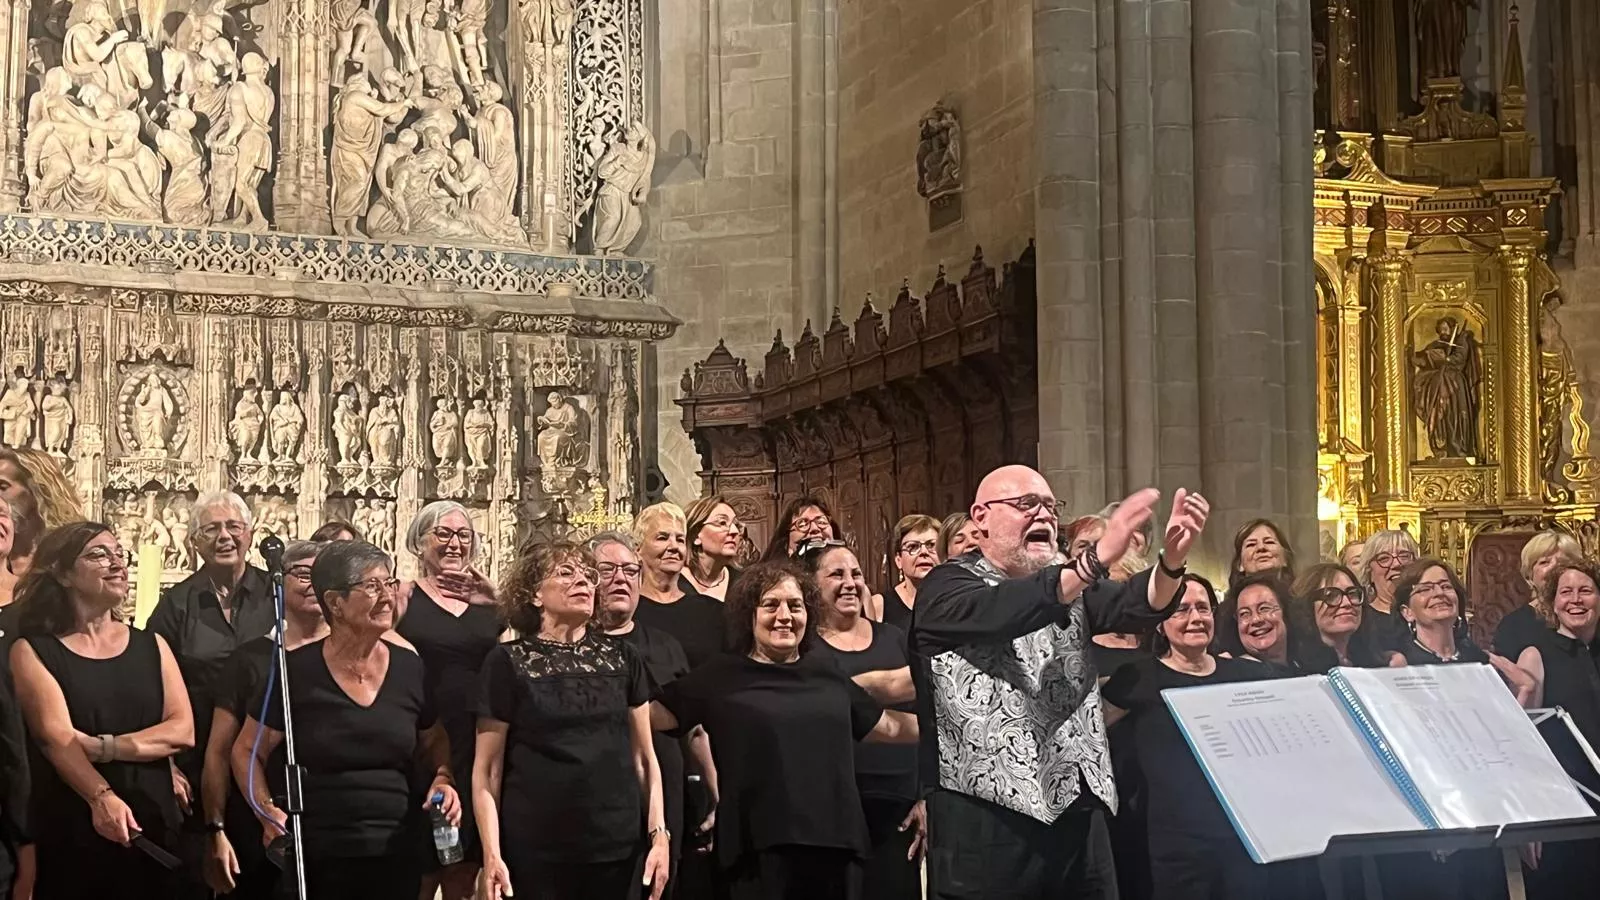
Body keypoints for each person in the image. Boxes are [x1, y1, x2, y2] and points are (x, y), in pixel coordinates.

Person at [910, 465, 1209, 899]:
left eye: (1051, 507)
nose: (1045, 516)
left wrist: (1172, 561)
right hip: (985, 822)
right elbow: (1004, 609)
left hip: (1077, 809)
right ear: (981, 518)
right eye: (1026, 505)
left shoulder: (1074, 585)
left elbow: (1136, 604)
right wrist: (1092, 561)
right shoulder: (948, 585)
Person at [649, 562, 918, 900]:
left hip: (836, 846)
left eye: (795, 606)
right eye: (771, 605)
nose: (785, 616)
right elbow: (653, 716)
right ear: (749, 613)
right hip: (755, 852)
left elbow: (888, 727)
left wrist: (957, 727)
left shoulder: (826, 673)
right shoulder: (722, 675)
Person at [233, 540, 460, 900]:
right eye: (371, 586)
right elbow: (248, 751)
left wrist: (444, 779)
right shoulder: (295, 671)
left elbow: (434, 741)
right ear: (335, 602)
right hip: (319, 857)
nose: (387, 596)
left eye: (390, 583)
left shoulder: (409, 667)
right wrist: (267, 812)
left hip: (396, 852)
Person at [473, 541, 671, 900]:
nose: (583, 581)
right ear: (534, 594)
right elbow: (488, 770)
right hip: (536, 848)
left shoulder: (623, 658)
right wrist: (491, 854)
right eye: (566, 573)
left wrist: (659, 835)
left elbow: (644, 758)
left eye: (588, 574)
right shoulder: (507, 662)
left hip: (616, 846)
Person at [11, 522, 193, 898]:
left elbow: (182, 730)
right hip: (79, 819)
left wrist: (101, 747)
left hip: (154, 818)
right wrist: (101, 796)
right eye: (99, 554)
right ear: (62, 573)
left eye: (119, 554)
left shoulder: (152, 645)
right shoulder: (33, 650)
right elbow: (56, 739)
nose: (117, 564)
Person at [1102, 575, 1273, 899]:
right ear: (1160, 623)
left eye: (1203, 609)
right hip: (1173, 847)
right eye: (1181, 610)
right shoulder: (1137, 678)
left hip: (1243, 841)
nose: (1195, 618)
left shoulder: (1244, 675)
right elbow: (1092, 732)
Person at [200, 541, 328, 899]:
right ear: (278, 583)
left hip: (333, 825)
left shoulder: (354, 659)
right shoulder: (250, 660)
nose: (313, 583)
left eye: (323, 575)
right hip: (260, 823)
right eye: (303, 573)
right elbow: (219, 751)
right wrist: (216, 828)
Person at [592, 532, 715, 900]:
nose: (621, 578)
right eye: (607, 570)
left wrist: (715, 794)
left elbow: (694, 730)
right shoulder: (572, 648)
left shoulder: (666, 645)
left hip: (666, 795)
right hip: (596, 799)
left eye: (630, 570)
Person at [800, 541, 922, 900]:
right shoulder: (805, 648)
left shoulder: (894, 639)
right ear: (812, 586)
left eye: (856, 573)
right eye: (836, 574)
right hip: (830, 809)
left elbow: (923, 715)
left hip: (900, 809)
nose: (850, 582)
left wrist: (925, 798)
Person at [396, 501, 502, 900]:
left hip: (478, 737)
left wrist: (494, 595)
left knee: (464, 861)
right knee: (423, 863)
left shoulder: (489, 602)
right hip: (423, 736)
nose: (455, 543)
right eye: (443, 533)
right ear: (419, 542)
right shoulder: (405, 595)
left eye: (463, 535)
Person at [148, 490, 274, 825]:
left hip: (268, 758)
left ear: (249, 533)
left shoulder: (276, 595)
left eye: (233, 526)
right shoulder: (176, 605)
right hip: (197, 757)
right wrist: (167, 764)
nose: (224, 537)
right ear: (194, 542)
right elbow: (149, 686)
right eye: (211, 530)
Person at [1516, 561, 1600, 896]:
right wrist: (1527, 817)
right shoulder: (1536, 655)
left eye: (1586, 591)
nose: (1575, 600)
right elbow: (1521, 743)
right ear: (1552, 603)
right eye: (1566, 592)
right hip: (1563, 810)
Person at [631, 502, 725, 669]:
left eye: (680, 539)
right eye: (662, 537)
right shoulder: (628, 612)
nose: (674, 546)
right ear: (637, 549)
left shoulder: (714, 612)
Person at [1493, 530, 1581, 666]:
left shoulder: (1590, 616)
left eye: (1563, 562)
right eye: (1544, 562)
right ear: (1529, 576)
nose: (1554, 567)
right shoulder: (1513, 625)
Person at [1290, 563, 1386, 669]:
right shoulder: (1295, 667)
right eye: (1331, 596)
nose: (1347, 603)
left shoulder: (1377, 663)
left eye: (1353, 594)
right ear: (1307, 606)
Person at [867, 514, 938, 631]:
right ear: (898, 560)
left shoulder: (957, 602)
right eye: (913, 547)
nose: (924, 552)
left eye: (931, 545)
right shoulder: (878, 606)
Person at [1353, 529, 1419, 655]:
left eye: (1404, 556)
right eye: (1384, 558)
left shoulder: (1429, 614)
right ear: (1369, 572)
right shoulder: (1361, 621)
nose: (1396, 564)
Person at [683, 496, 742, 600]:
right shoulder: (672, 583)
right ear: (695, 535)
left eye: (736, 524)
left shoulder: (743, 584)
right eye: (722, 523)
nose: (734, 531)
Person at [1227, 518, 1294, 589]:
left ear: (1285, 559)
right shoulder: (1232, 600)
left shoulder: (1302, 598)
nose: (1261, 547)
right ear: (1240, 564)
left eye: (1269, 542)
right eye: (1251, 544)